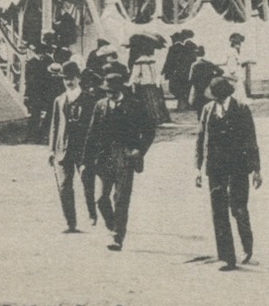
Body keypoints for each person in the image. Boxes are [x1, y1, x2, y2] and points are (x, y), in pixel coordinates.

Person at [84, 66, 157, 251]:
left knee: (121, 198)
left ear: (120, 90)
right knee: (101, 199)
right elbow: (92, 134)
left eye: (112, 92)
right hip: (104, 157)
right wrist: (86, 161)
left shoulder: (135, 105)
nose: (109, 95)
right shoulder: (100, 105)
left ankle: (117, 236)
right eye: (106, 92)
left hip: (126, 157)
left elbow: (149, 131)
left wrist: (139, 150)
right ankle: (112, 225)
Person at [194, 76, 262, 271]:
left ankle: (246, 245)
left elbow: (251, 140)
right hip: (215, 168)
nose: (216, 100)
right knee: (219, 211)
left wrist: (257, 169)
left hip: (238, 167)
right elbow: (200, 140)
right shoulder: (208, 110)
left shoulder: (241, 109)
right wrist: (197, 168)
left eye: (219, 97)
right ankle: (226, 257)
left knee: (239, 208)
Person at [47, 61, 94, 233]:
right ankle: (70, 223)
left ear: (79, 78)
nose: (69, 82)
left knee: (87, 183)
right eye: (65, 79)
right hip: (62, 150)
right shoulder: (59, 100)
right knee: (64, 186)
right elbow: (54, 125)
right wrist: (51, 150)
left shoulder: (89, 99)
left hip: (82, 149)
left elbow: (93, 126)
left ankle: (92, 214)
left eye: (72, 78)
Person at [163, 30, 195, 111]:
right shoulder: (186, 48)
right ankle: (184, 105)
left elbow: (169, 61)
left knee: (175, 89)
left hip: (175, 74)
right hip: (185, 73)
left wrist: (165, 72)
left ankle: (181, 106)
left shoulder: (172, 48)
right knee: (184, 89)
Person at [188, 46, 219, 111]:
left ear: (196, 54)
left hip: (198, 88)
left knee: (198, 106)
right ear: (204, 53)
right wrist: (213, 76)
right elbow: (221, 71)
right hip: (208, 86)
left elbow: (191, 79)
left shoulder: (194, 64)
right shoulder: (209, 63)